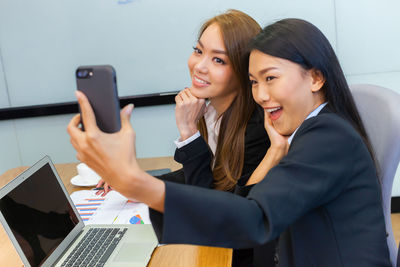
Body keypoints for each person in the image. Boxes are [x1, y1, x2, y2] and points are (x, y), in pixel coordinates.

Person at [68, 18, 391, 266]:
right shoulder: (306, 132)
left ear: (316, 78)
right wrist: (276, 151)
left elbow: (254, 218)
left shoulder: (327, 136)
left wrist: (136, 183)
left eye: (271, 78)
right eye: (254, 82)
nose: (261, 96)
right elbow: (251, 203)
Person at [94, 10, 273, 266]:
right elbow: (212, 175)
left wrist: (189, 134)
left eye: (219, 60)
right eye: (199, 51)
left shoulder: (255, 128)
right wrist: (137, 184)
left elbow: (208, 213)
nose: (199, 66)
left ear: (245, 71)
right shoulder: (212, 111)